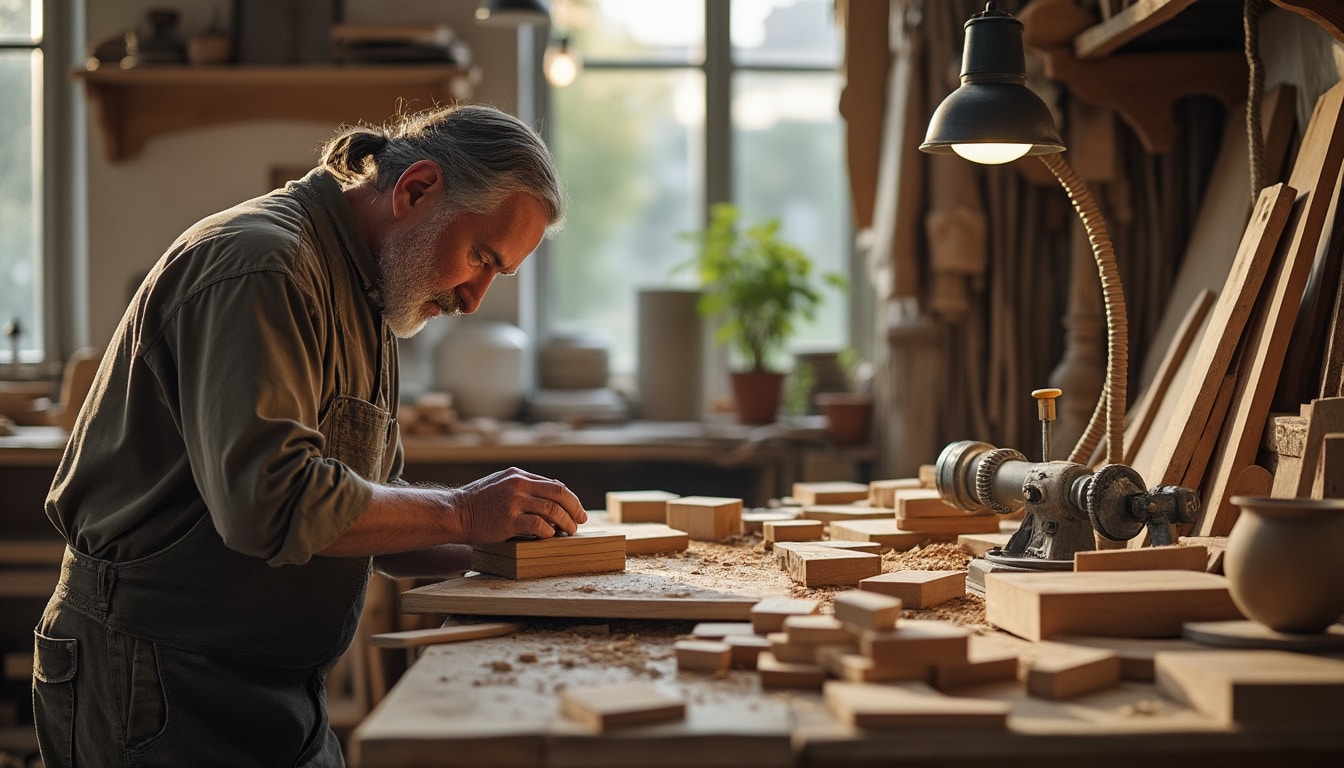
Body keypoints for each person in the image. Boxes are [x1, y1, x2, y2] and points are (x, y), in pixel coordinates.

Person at [33, 104, 587, 767]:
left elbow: (371, 510)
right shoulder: (263, 265)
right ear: (416, 190)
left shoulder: (372, 288)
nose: (474, 299)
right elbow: (273, 504)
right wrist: (464, 511)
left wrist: (505, 543)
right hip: (156, 678)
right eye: (480, 258)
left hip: (272, 684)